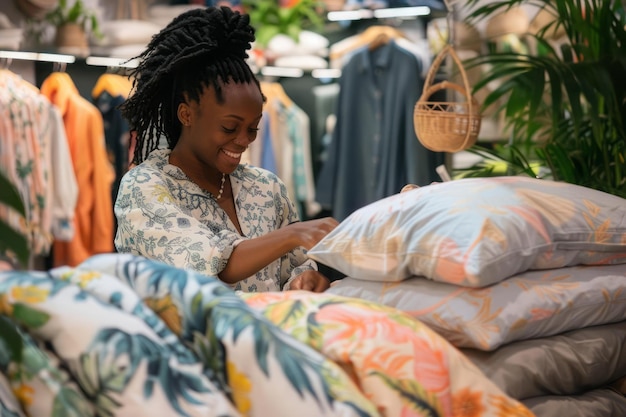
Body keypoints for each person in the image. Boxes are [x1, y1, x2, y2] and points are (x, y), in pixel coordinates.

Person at [115, 6, 338, 293]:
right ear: (187, 115)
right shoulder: (145, 188)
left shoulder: (267, 187)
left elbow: (295, 268)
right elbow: (210, 264)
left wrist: (306, 279)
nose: (244, 140)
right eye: (230, 128)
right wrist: (292, 234)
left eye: (253, 128)